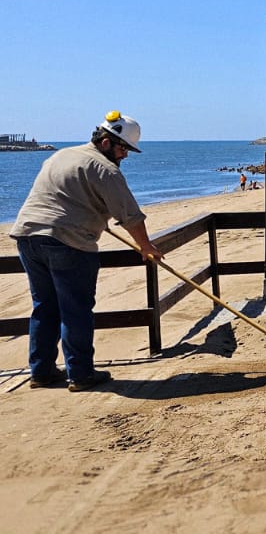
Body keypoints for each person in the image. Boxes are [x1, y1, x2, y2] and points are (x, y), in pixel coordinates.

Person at [9, 111, 163, 391]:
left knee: (44, 307)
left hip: (27, 237)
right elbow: (130, 215)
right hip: (68, 243)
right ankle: (80, 375)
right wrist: (146, 247)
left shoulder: (61, 155)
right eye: (123, 148)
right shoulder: (106, 169)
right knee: (76, 310)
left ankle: (41, 372)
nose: (125, 155)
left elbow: (64, 196)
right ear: (106, 142)